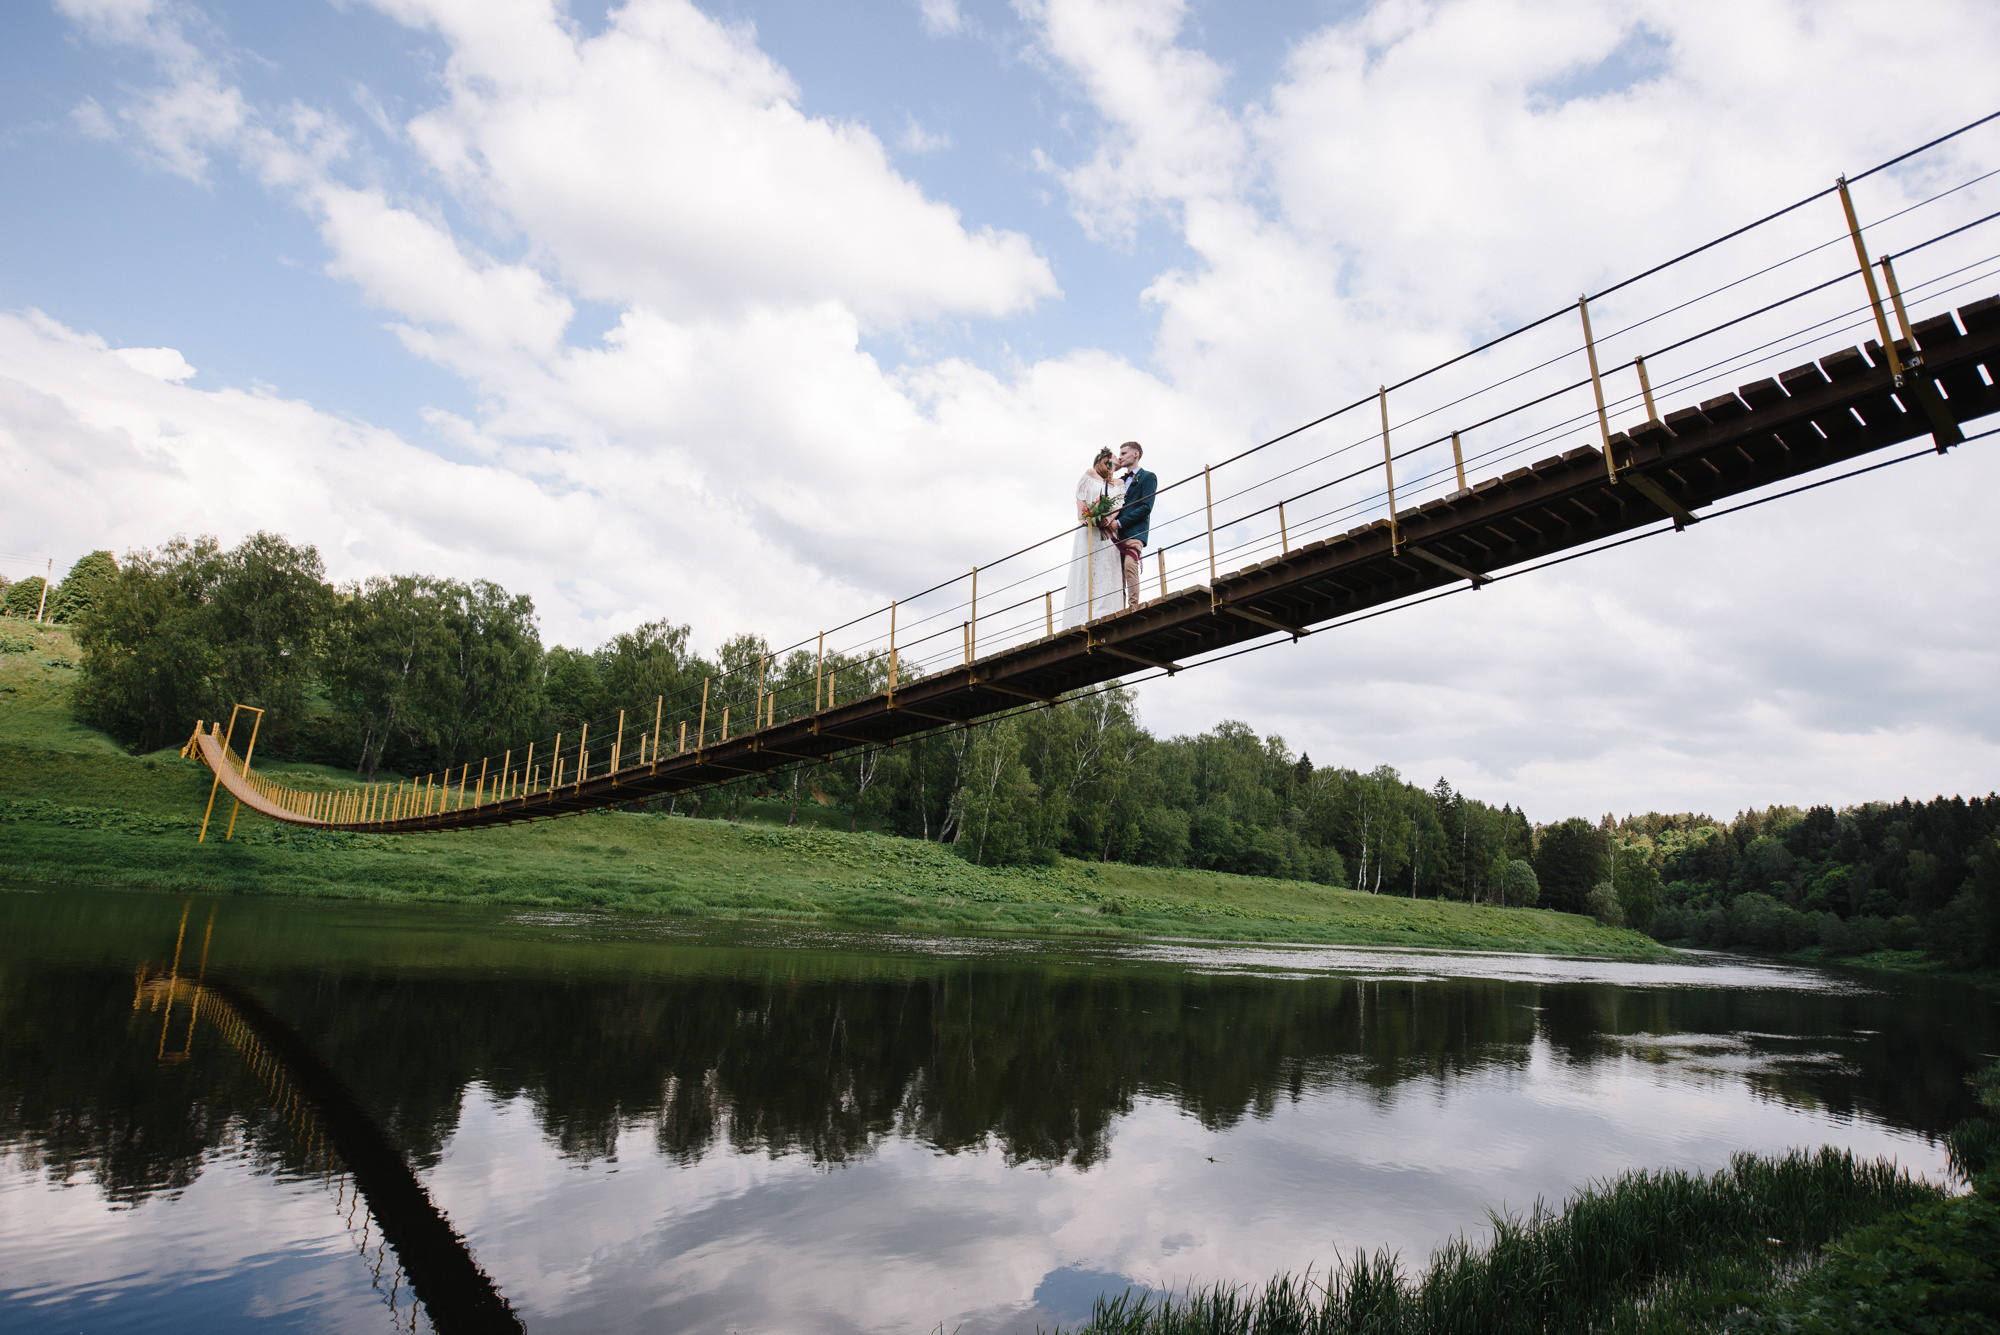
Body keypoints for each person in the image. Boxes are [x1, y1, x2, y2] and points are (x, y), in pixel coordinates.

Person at [1062, 447, 1125, 628]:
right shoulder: (1090, 474)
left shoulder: (1120, 483)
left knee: (1106, 568)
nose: (1119, 458)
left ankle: (1105, 612)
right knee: (1087, 567)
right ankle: (1082, 614)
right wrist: (1085, 516)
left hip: (1107, 530)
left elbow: (1118, 506)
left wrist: (1108, 519)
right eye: (1116, 455)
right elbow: (1081, 498)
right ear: (1106, 459)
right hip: (1089, 528)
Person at [1110, 441, 1155, 609]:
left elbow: (1146, 507)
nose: (1120, 457)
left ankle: (1133, 606)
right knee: (1117, 573)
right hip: (1116, 535)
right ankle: (1119, 608)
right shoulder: (1119, 481)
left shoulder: (1148, 477)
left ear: (1136, 454)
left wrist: (1120, 522)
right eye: (1119, 454)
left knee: (1130, 564)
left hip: (1135, 531)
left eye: (1123, 453)